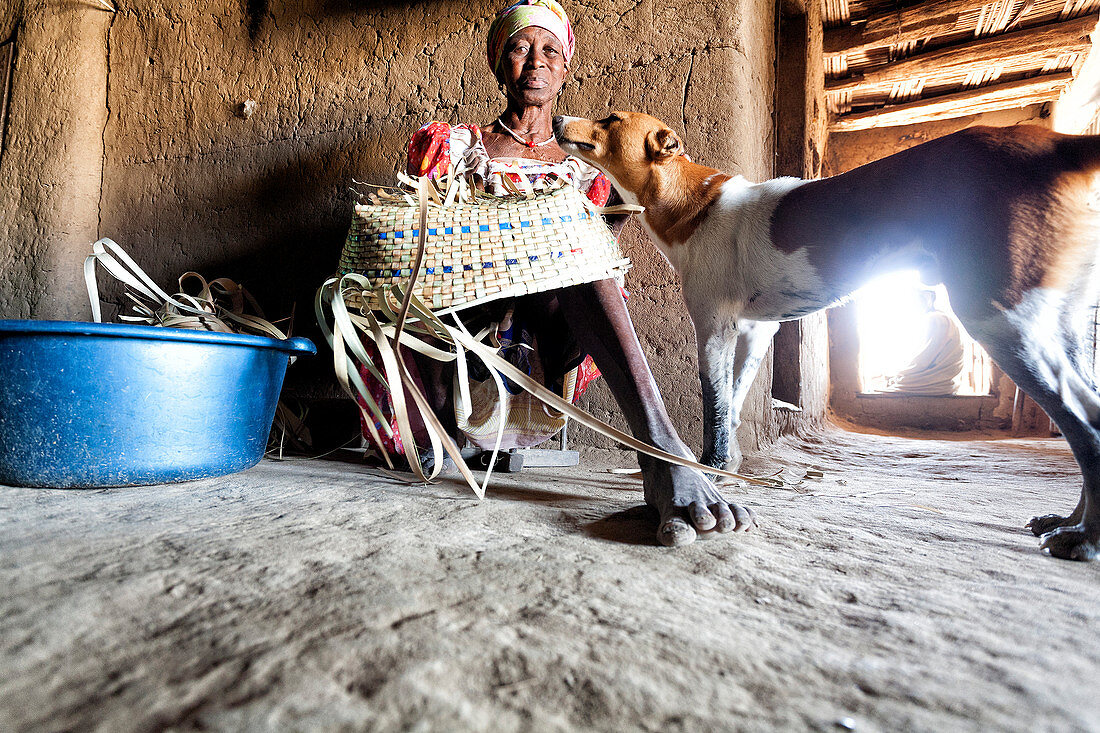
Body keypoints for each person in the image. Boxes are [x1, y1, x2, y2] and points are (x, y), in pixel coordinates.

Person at [362, 0, 755, 546]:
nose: (536, 62)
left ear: (566, 67)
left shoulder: (583, 164)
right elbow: (421, 235)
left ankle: (662, 454)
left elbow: (602, 247)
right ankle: (450, 428)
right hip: (466, 310)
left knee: (576, 250)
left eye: (550, 50)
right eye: (520, 48)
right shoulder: (458, 147)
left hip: (548, 327)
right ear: (499, 64)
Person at [887, 290, 965, 395]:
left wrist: (901, 372)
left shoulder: (936, 318)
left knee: (899, 382)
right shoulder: (936, 318)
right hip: (940, 377)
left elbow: (925, 357)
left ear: (929, 300)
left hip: (934, 380)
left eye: (918, 300)